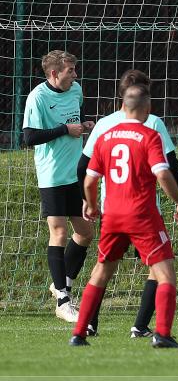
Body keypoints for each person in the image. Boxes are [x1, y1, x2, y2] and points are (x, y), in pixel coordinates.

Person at [70, 84, 178, 347]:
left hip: (111, 216)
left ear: (123, 107)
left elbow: (89, 179)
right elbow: (163, 173)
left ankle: (78, 334)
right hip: (142, 215)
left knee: (101, 272)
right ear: (147, 109)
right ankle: (162, 334)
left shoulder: (106, 136)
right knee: (165, 273)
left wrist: (91, 205)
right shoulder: (149, 135)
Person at [22, 50, 95, 323]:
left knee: (86, 232)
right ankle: (63, 301)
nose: (75, 75)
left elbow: (78, 115)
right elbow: (29, 137)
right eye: (70, 71)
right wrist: (66, 129)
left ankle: (60, 282)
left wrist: (84, 124)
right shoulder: (37, 97)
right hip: (51, 175)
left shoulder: (75, 89)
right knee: (59, 231)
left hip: (75, 173)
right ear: (54, 73)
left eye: (75, 70)